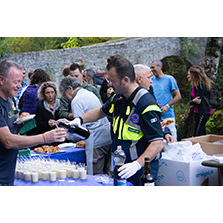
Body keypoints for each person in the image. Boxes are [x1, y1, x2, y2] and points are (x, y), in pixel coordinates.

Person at [70, 54, 164, 186]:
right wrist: (80, 119)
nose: (109, 84)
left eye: (112, 80)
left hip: (141, 169)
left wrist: (137, 165)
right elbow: (100, 111)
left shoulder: (146, 103)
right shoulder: (118, 97)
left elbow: (157, 143)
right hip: (121, 164)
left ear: (125, 80)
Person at [0, 60, 67, 186]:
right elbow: (8, 141)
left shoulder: (8, 101)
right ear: (1, 80)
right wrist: (45, 137)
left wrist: (19, 126)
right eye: (16, 82)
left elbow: (11, 134)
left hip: (7, 174)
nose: (20, 86)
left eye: (21, 81)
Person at [59, 76, 112, 175]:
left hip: (96, 141)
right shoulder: (89, 93)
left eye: (64, 93)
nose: (65, 97)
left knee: (95, 177)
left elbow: (80, 132)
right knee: (106, 175)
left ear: (70, 89)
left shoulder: (76, 101)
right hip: (107, 137)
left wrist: (64, 134)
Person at [134, 64, 175, 143]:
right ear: (139, 79)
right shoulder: (124, 98)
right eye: (149, 77)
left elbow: (156, 118)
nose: (151, 81)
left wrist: (165, 133)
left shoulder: (149, 90)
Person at [150, 59, 181, 141]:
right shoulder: (151, 80)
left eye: (153, 67)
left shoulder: (169, 79)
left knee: (172, 141)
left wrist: (167, 106)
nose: (151, 69)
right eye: (150, 68)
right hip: (155, 116)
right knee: (159, 142)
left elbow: (178, 96)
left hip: (168, 116)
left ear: (159, 67)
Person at [187, 65, 213, 136]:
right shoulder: (194, 86)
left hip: (203, 112)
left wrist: (191, 102)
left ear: (193, 75)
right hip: (199, 112)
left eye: (189, 74)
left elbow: (198, 100)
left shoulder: (200, 85)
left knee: (197, 133)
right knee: (202, 132)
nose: (187, 76)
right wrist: (192, 101)